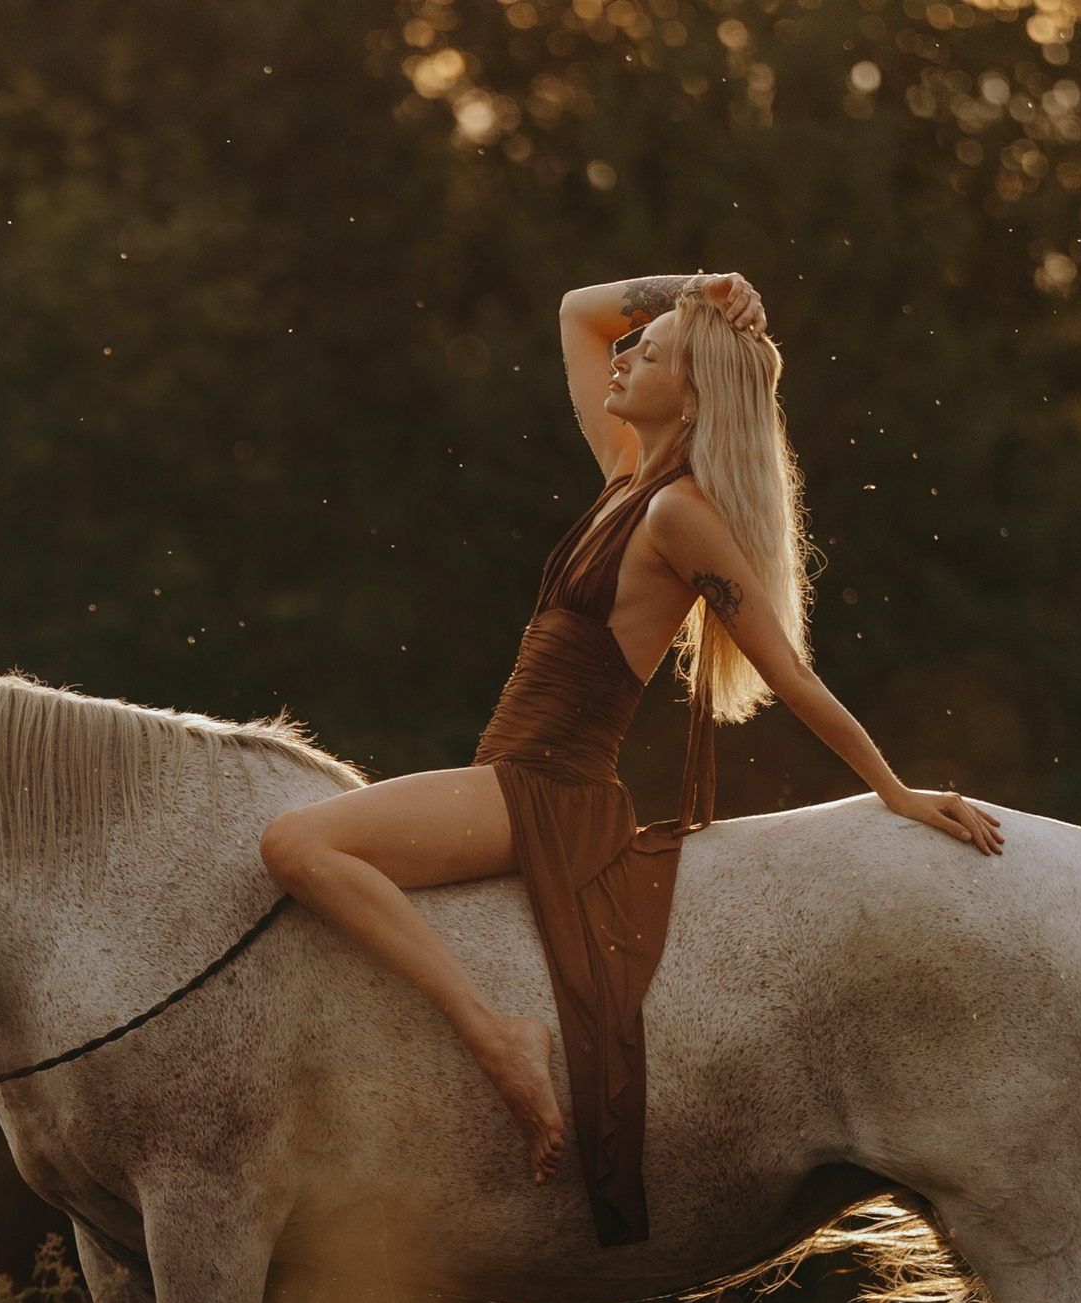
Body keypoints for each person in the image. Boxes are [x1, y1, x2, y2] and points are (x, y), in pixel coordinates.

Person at [260, 271, 1003, 1240]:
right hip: (509, 772)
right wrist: (695, 285)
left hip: (545, 789)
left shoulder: (677, 515)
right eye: (632, 346)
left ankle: (497, 1038)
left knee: (294, 843)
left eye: (645, 354)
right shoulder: (625, 475)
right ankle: (491, 1034)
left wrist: (896, 791)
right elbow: (576, 308)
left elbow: (791, 673)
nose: (620, 356)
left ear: (688, 395)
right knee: (296, 842)